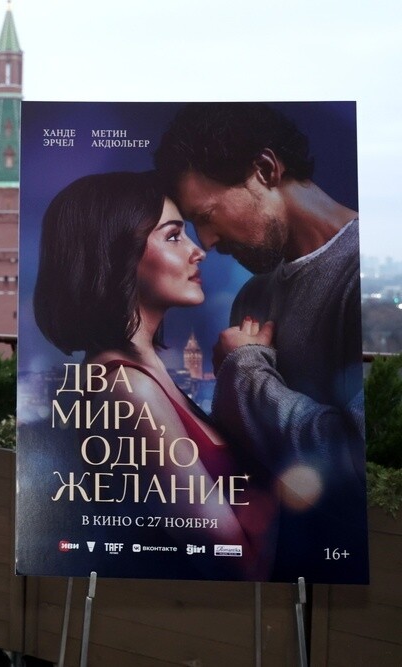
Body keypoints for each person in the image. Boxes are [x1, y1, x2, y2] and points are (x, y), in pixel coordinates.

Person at [154, 102, 367, 582]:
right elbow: (249, 464)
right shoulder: (252, 296)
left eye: (207, 215)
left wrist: (247, 369)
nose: (207, 242)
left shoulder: (369, 276)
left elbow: (357, 465)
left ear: (266, 169)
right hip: (269, 572)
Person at [33, 170, 274, 580]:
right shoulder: (129, 389)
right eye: (174, 236)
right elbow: (241, 566)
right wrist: (251, 372)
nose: (198, 251)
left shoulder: (144, 372)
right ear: (118, 254)